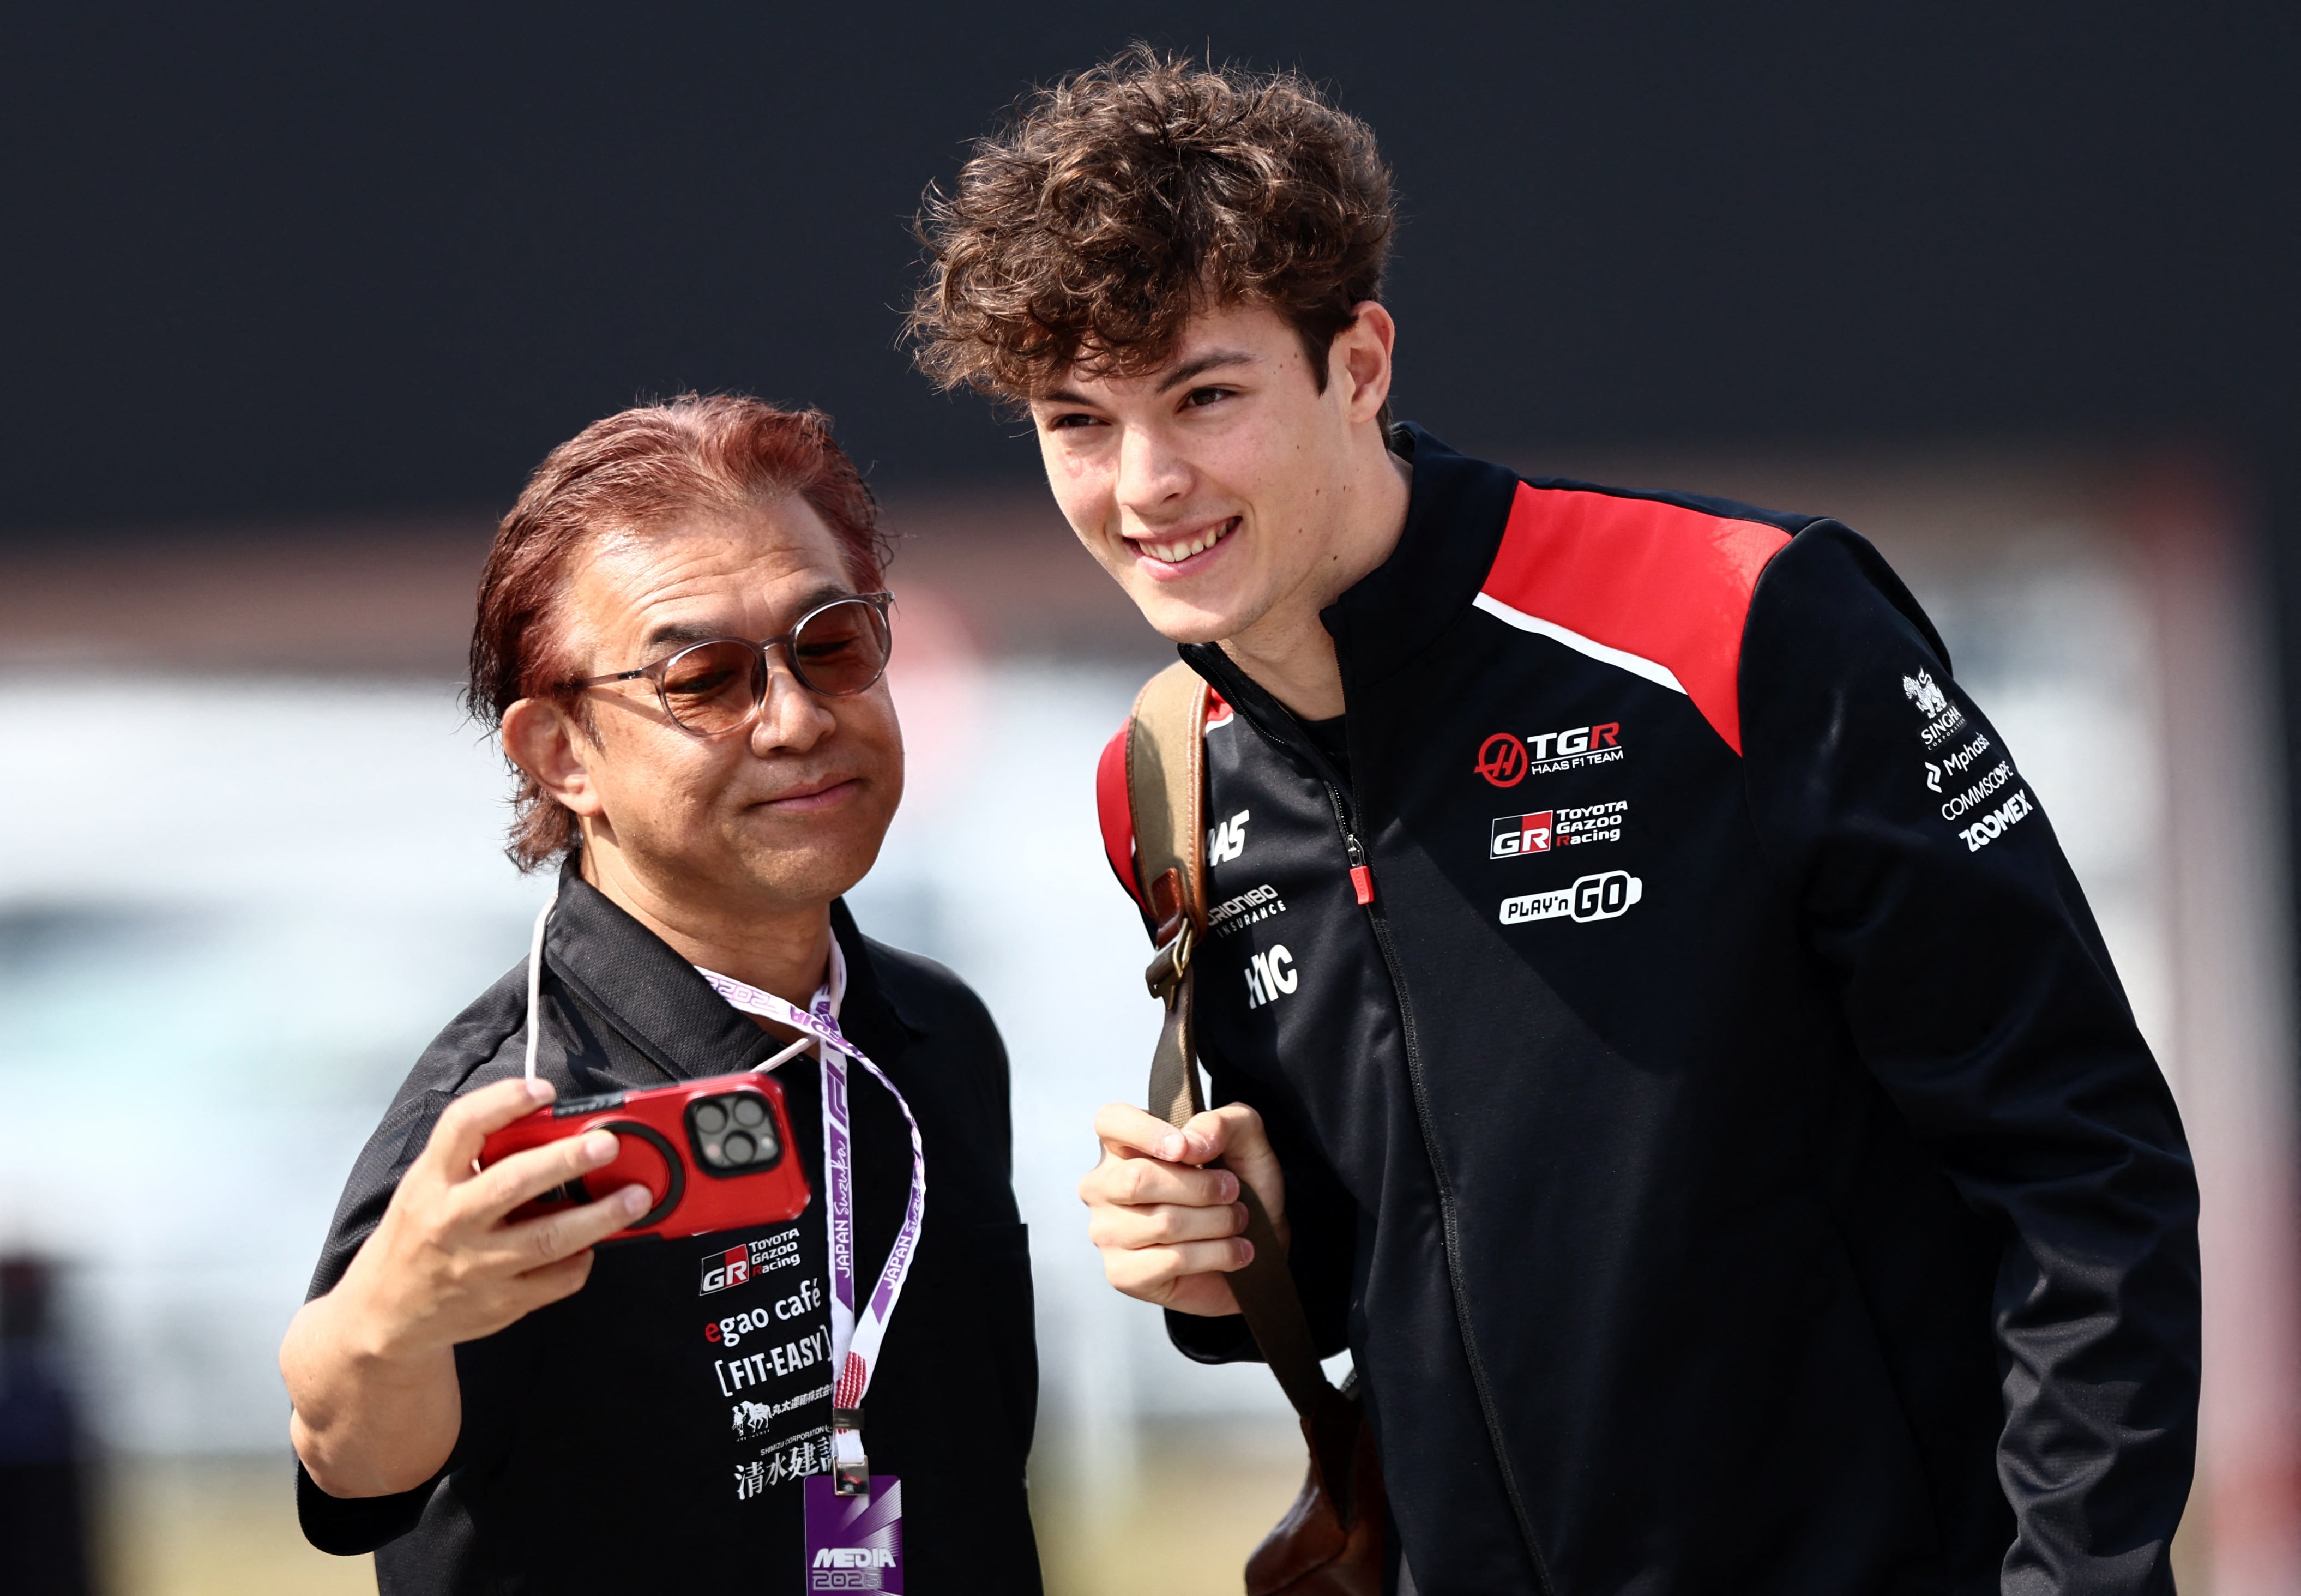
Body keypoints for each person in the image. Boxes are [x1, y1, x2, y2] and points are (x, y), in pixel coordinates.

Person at [909, 50, 2200, 1595]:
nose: (1144, 483)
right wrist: (1230, 1246)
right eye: (1075, 422)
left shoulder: (1738, 624)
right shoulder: (1167, 775)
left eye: (1203, 395)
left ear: (1360, 364)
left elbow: (2081, 1170)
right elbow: (1378, 1250)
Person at [279, 396, 1040, 1592]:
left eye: (830, 644)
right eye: (703, 681)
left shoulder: (935, 1033)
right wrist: (383, 1327)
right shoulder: (523, 1108)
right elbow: (352, 1467)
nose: (793, 719)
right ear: (561, 756)